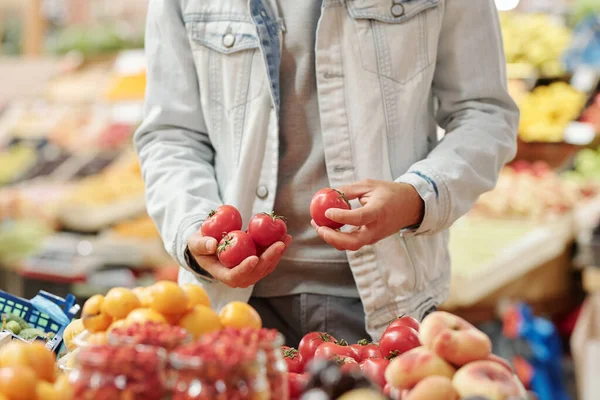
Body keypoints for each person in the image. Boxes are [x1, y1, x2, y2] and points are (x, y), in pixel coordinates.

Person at [134, 0, 518, 345]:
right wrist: (193, 231)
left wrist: (418, 197)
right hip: (231, 307)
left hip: (389, 303)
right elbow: (171, 134)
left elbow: (484, 112)